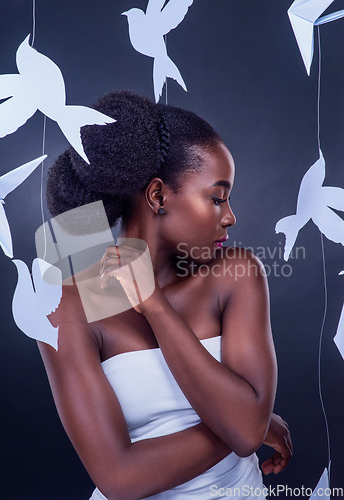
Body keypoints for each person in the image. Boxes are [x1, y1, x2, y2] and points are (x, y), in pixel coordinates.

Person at [39, 90, 292, 500]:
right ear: (158, 196)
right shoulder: (65, 308)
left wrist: (154, 305)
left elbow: (246, 429)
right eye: (217, 197)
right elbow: (121, 479)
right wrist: (247, 421)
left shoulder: (236, 273)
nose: (230, 216)